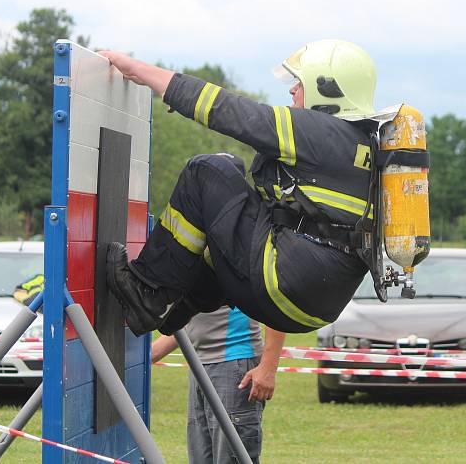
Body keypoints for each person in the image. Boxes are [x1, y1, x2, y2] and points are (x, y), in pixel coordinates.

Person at [101, 39, 378, 336]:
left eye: (300, 81)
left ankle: (148, 292)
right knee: (228, 194)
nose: (292, 89)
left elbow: (229, 111)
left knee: (208, 171)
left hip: (283, 284)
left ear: (328, 88)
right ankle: (175, 308)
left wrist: (140, 71)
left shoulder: (321, 131)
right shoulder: (364, 145)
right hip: (318, 305)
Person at [151, 306, 285, 464]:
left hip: (233, 365)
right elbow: (192, 321)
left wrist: (268, 368)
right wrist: (149, 355)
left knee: (231, 458)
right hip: (198, 366)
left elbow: (276, 307)